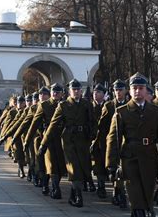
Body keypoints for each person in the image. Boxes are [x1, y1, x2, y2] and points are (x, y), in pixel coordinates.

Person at [106, 73, 158, 217]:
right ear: (129, 91)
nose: (137, 91)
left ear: (146, 90)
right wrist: (111, 165)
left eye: (140, 88)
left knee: (145, 197)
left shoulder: (155, 112)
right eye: (134, 88)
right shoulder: (122, 112)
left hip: (149, 159)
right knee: (135, 196)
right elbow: (113, 140)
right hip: (130, 159)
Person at [40, 79, 96, 207]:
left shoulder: (86, 104)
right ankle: (78, 197)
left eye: (78, 89)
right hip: (69, 141)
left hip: (83, 140)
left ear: (81, 91)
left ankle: (72, 195)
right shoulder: (63, 106)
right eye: (73, 90)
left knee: (82, 168)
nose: (76, 92)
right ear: (69, 91)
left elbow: (93, 122)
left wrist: (93, 135)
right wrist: (44, 144)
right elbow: (53, 125)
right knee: (74, 168)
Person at [25, 85, 67, 198]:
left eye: (58, 92)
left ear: (62, 93)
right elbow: (33, 125)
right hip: (47, 138)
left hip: (61, 138)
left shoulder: (66, 104)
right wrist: (27, 140)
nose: (55, 94)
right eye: (53, 91)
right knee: (49, 162)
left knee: (59, 163)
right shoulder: (44, 105)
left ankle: (54, 185)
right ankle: (50, 186)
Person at [94, 79, 128, 208]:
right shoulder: (108, 106)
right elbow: (101, 127)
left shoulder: (128, 105)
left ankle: (120, 192)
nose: (118, 92)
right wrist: (98, 142)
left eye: (120, 89)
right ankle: (117, 192)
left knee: (123, 168)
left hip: (125, 142)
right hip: (111, 142)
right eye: (116, 90)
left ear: (125, 90)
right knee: (114, 169)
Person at [91, 83, 108, 199]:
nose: (96, 94)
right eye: (94, 92)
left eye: (99, 92)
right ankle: (100, 186)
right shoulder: (89, 107)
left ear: (104, 94)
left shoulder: (108, 106)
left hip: (106, 140)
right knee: (97, 164)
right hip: (93, 140)